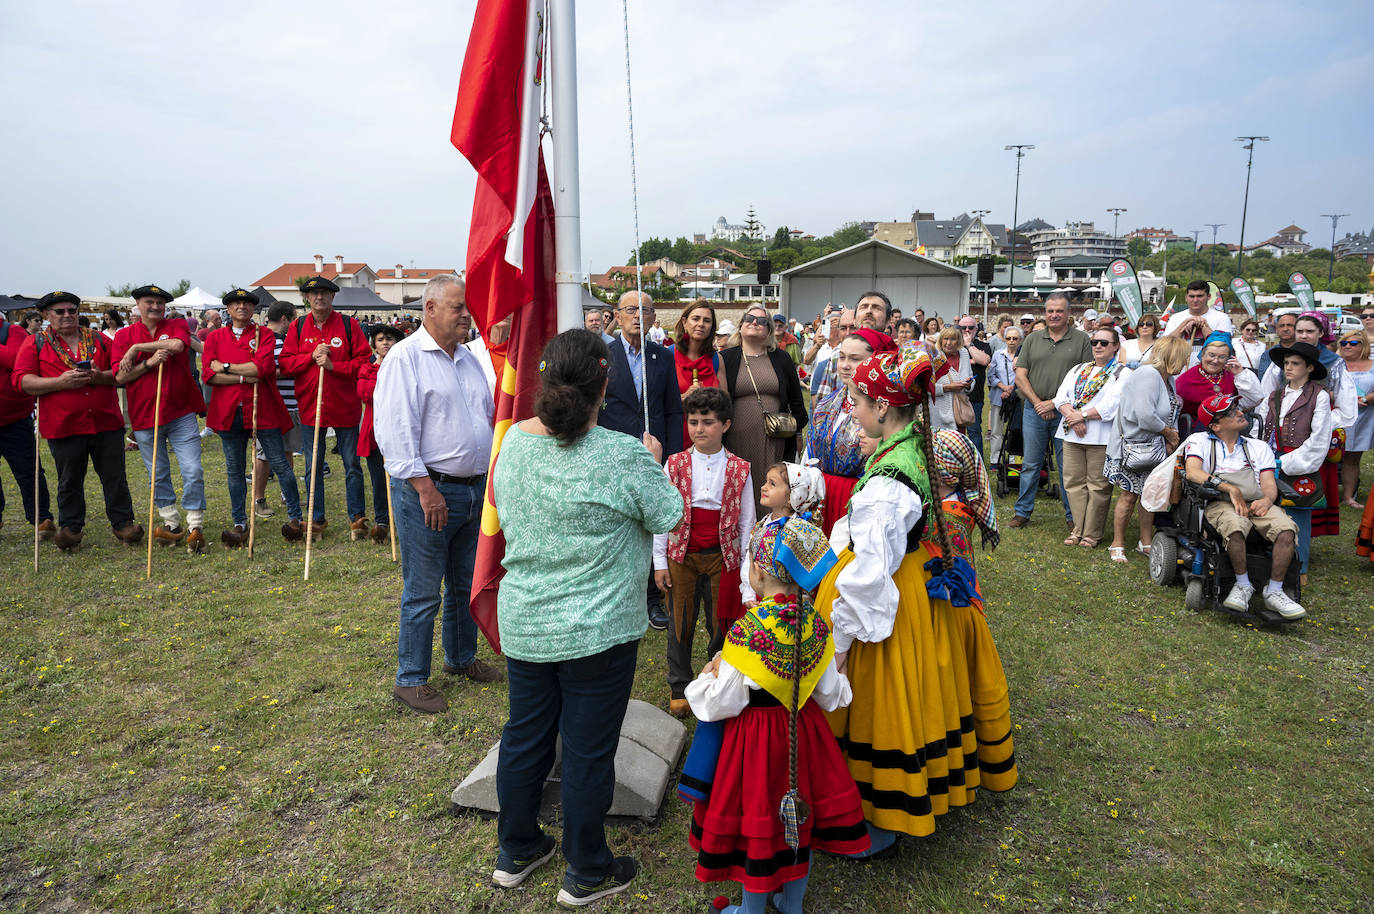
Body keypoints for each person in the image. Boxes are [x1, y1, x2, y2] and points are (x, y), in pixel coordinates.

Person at [489, 329, 681, 907]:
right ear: (605, 385)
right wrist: (652, 462)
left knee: (524, 738)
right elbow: (668, 513)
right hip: (598, 632)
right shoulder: (622, 453)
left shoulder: (514, 446)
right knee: (587, 749)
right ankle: (587, 869)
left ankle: (517, 849)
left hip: (526, 622)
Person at [815, 349, 1016, 854]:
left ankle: (879, 822)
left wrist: (839, 642)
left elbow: (867, 575)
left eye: (858, 400)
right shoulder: (908, 445)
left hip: (890, 598)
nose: (853, 409)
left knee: (883, 706)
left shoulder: (888, 479)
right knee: (918, 694)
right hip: (911, 583)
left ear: (883, 408)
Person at [685, 514, 866, 914]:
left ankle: (751, 910)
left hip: (754, 743)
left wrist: (701, 678)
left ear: (759, 572)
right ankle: (792, 904)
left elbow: (720, 703)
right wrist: (843, 678)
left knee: (761, 825)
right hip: (804, 738)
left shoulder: (749, 631)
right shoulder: (816, 626)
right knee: (798, 819)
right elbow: (832, 696)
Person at [374, 274, 502, 715]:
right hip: (427, 491)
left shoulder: (467, 359)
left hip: (471, 491)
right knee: (424, 590)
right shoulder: (405, 359)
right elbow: (394, 433)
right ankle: (410, 678)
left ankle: (461, 658)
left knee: (465, 584)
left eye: (467, 308)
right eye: (457, 307)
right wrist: (426, 490)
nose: (466, 315)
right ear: (429, 309)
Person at [652, 387, 754, 718]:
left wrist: (743, 569)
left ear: (725, 425)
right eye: (693, 421)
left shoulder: (740, 468)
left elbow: (747, 522)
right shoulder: (675, 463)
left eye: (707, 422)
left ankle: (718, 679)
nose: (698, 429)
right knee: (680, 620)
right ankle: (679, 685)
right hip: (681, 554)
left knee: (720, 621)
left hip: (722, 556)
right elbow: (663, 516)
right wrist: (659, 563)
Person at [13, 291, 143, 550]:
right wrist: (59, 382)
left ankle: (123, 523)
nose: (67, 316)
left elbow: (119, 375)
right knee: (69, 479)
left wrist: (98, 376)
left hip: (105, 421)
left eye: (72, 310)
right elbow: (22, 381)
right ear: (46, 315)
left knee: (115, 476)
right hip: (64, 424)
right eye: (59, 312)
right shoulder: (36, 342)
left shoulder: (98, 339)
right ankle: (71, 528)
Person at [599, 290, 684, 631]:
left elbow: (673, 408)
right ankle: (618, 594)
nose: (638, 315)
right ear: (616, 316)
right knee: (617, 523)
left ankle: (651, 598)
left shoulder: (661, 357)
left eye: (645, 310)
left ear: (653, 318)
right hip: (613, 452)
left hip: (654, 453)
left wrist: (673, 457)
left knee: (649, 524)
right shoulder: (603, 355)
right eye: (631, 309)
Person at [1184, 394, 1306, 618]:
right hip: (1220, 502)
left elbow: (1268, 483)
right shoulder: (1199, 441)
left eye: (1238, 409)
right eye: (1231, 413)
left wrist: (1268, 500)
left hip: (1257, 500)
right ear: (1216, 425)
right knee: (1235, 525)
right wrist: (1231, 489)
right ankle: (1243, 584)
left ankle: (1275, 590)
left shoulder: (1258, 447)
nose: (1241, 413)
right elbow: (1193, 472)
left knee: (1286, 531)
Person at [202, 289, 304, 545]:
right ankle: (240, 522)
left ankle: (295, 517)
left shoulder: (264, 335)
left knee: (280, 463)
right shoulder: (215, 337)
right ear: (228, 309)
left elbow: (263, 369)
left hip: (263, 408)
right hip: (228, 412)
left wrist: (225, 366)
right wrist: (243, 375)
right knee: (234, 470)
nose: (241, 307)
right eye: (236, 303)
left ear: (253, 310)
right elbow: (208, 375)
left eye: (247, 303)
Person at [111, 284, 208, 552]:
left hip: (180, 412)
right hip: (145, 415)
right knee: (158, 473)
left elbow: (177, 345)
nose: (155, 307)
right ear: (138, 305)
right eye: (149, 302)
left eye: (160, 303)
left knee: (193, 469)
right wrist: (149, 363)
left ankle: (195, 524)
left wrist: (137, 349)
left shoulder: (175, 325)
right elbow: (119, 377)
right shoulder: (123, 336)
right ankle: (171, 523)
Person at [279, 275, 372, 540]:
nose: (319, 298)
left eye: (324, 293)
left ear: (332, 297)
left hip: (345, 407)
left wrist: (335, 367)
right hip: (311, 407)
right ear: (307, 299)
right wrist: (310, 357)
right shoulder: (297, 327)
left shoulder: (348, 325)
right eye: (313, 294)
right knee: (313, 466)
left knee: (352, 464)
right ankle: (316, 518)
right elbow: (285, 365)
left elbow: (364, 363)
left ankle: (357, 516)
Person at [1258, 312, 1357, 538]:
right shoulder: (1282, 364)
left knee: (1307, 492)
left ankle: (1302, 542)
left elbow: (1347, 409)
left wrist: (1314, 422)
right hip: (1284, 436)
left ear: (1321, 333)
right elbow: (1267, 398)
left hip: (1314, 440)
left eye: (1310, 331)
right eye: (1299, 330)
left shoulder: (1334, 362)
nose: (1303, 335)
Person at [1009, 292, 1092, 529]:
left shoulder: (1082, 340)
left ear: (1068, 314)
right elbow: (1020, 375)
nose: (1054, 315)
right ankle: (1022, 512)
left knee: (1069, 467)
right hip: (1033, 411)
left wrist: (1055, 403)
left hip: (1066, 414)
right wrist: (1037, 403)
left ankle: (1072, 516)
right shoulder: (1033, 339)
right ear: (1044, 313)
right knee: (1031, 464)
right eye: (1050, 311)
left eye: (1059, 311)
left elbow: (1084, 379)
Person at [1104, 336, 1191, 562]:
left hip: (1156, 447)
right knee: (1129, 494)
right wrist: (1169, 433)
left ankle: (1146, 541)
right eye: (1184, 357)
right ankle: (1117, 543)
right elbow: (1145, 416)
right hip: (1136, 446)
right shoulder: (1148, 375)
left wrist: (1169, 436)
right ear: (1173, 357)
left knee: (1149, 494)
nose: (1186, 362)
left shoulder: (1167, 379)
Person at [1255, 341, 1334, 582]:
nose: (1288, 368)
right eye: (1286, 363)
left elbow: (1319, 439)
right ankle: (1270, 561)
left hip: (1300, 462)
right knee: (1268, 511)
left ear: (1309, 367)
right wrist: (1265, 460)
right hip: (1270, 459)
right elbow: (1260, 428)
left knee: (1299, 515)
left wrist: (1286, 463)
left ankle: (1300, 568)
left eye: (1295, 363)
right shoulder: (1274, 396)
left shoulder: (1318, 397)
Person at [804, 329, 894, 536]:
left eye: (855, 359)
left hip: (859, 501)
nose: (845, 365)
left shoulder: (885, 408)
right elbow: (810, 453)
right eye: (842, 357)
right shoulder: (827, 403)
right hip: (821, 499)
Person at [720, 305, 808, 511]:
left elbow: (796, 401)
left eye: (762, 321)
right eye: (750, 318)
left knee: (773, 491)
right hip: (735, 440)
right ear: (741, 326)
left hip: (775, 441)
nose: (755, 323)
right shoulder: (727, 358)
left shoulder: (781, 358)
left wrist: (797, 432)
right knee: (739, 492)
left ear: (769, 330)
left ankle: (768, 536)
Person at [1053, 328, 1126, 549]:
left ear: (1115, 346)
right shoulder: (1078, 369)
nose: (1098, 346)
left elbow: (1114, 405)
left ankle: (1092, 534)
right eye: (1094, 342)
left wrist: (1081, 415)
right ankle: (1078, 529)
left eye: (1104, 342)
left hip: (1101, 437)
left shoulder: (1123, 373)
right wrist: (1074, 418)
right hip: (1072, 434)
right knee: (1073, 483)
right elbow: (1060, 397)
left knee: (1098, 486)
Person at [0, 309, 55, 540]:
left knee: (28, 471)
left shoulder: (11, 331)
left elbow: (16, 360)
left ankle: (41, 518)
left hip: (14, 419)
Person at [251, 301, 302, 519]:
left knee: (287, 451)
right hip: (271, 406)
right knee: (263, 456)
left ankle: (286, 494)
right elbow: (262, 370)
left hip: (290, 405)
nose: (294, 323)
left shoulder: (286, 341)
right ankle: (258, 499)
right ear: (284, 319)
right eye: (293, 318)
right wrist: (291, 368)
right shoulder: (264, 340)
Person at [358, 324, 404, 543]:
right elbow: (366, 395)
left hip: (399, 430)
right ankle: (382, 521)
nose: (385, 342)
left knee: (400, 479)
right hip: (374, 430)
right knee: (378, 479)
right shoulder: (367, 369)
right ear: (373, 344)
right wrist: (381, 370)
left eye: (389, 339)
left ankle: (402, 519)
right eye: (380, 339)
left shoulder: (404, 366)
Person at [1174, 332, 1261, 427]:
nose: (1215, 361)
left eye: (1222, 357)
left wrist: (1240, 374)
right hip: (1197, 432)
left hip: (1230, 429)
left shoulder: (1233, 376)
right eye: (1211, 355)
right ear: (1202, 354)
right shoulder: (1186, 380)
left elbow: (1254, 400)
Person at [668, 301, 722, 449]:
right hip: (675, 436)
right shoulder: (668, 355)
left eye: (707, 320)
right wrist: (683, 398)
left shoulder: (717, 359)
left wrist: (709, 398)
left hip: (707, 440)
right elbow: (657, 402)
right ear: (685, 322)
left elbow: (726, 403)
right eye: (696, 318)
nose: (701, 324)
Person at [1338, 331, 1373, 508]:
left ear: (1363, 346)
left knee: (1352, 458)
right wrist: (1348, 401)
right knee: (1327, 457)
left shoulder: (1372, 365)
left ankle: (1349, 497)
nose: (1348, 346)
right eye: (1344, 343)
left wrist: (1365, 399)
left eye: (1353, 343)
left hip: (1364, 418)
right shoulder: (1335, 365)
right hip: (1338, 417)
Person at [1162, 280, 1234, 354]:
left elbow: (1224, 347)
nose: (1195, 300)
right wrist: (1184, 323)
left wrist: (1204, 325)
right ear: (1186, 297)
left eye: (1200, 296)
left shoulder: (1222, 318)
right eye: (1192, 296)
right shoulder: (1175, 318)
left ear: (1208, 297)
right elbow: (1164, 346)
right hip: (1180, 365)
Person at [986, 325, 1021, 466]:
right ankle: (995, 460)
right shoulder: (998, 354)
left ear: (1020, 340)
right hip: (998, 398)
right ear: (1005, 340)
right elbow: (991, 375)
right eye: (1008, 338)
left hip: (1017, 398)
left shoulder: (1023, 356)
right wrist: (1003, 387)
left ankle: (1013, 460)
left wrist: (1012, 390)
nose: (1011, 341)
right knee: (996, 431)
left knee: (1015, 429)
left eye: (1015, 338)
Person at [807, 307, 854, 402]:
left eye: (833, 326)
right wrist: (825, 318)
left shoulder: (843, 349)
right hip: (816, 391)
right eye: (828, 325)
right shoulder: (821, 346)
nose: (827, 329)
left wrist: (847, 314)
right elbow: (806, 360)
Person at [931, 326, 973, 433]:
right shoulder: (934, 356)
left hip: (959, 413)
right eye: (945, 339)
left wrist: (969, 384)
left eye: (952, 339)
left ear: (958, 341)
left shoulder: (963, 353)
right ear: (941, 340)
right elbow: (926, 388)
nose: (948, 343)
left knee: (959, 446)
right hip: (938, 415)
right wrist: (947, 388)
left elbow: (970, 375)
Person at [1256, 312, 1297, 379]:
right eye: (1281, 326)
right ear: (1277, 330)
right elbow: (1263, 380)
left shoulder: (1307, 351)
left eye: (1290, 325)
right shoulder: (1268, 354)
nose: (1285, 329)